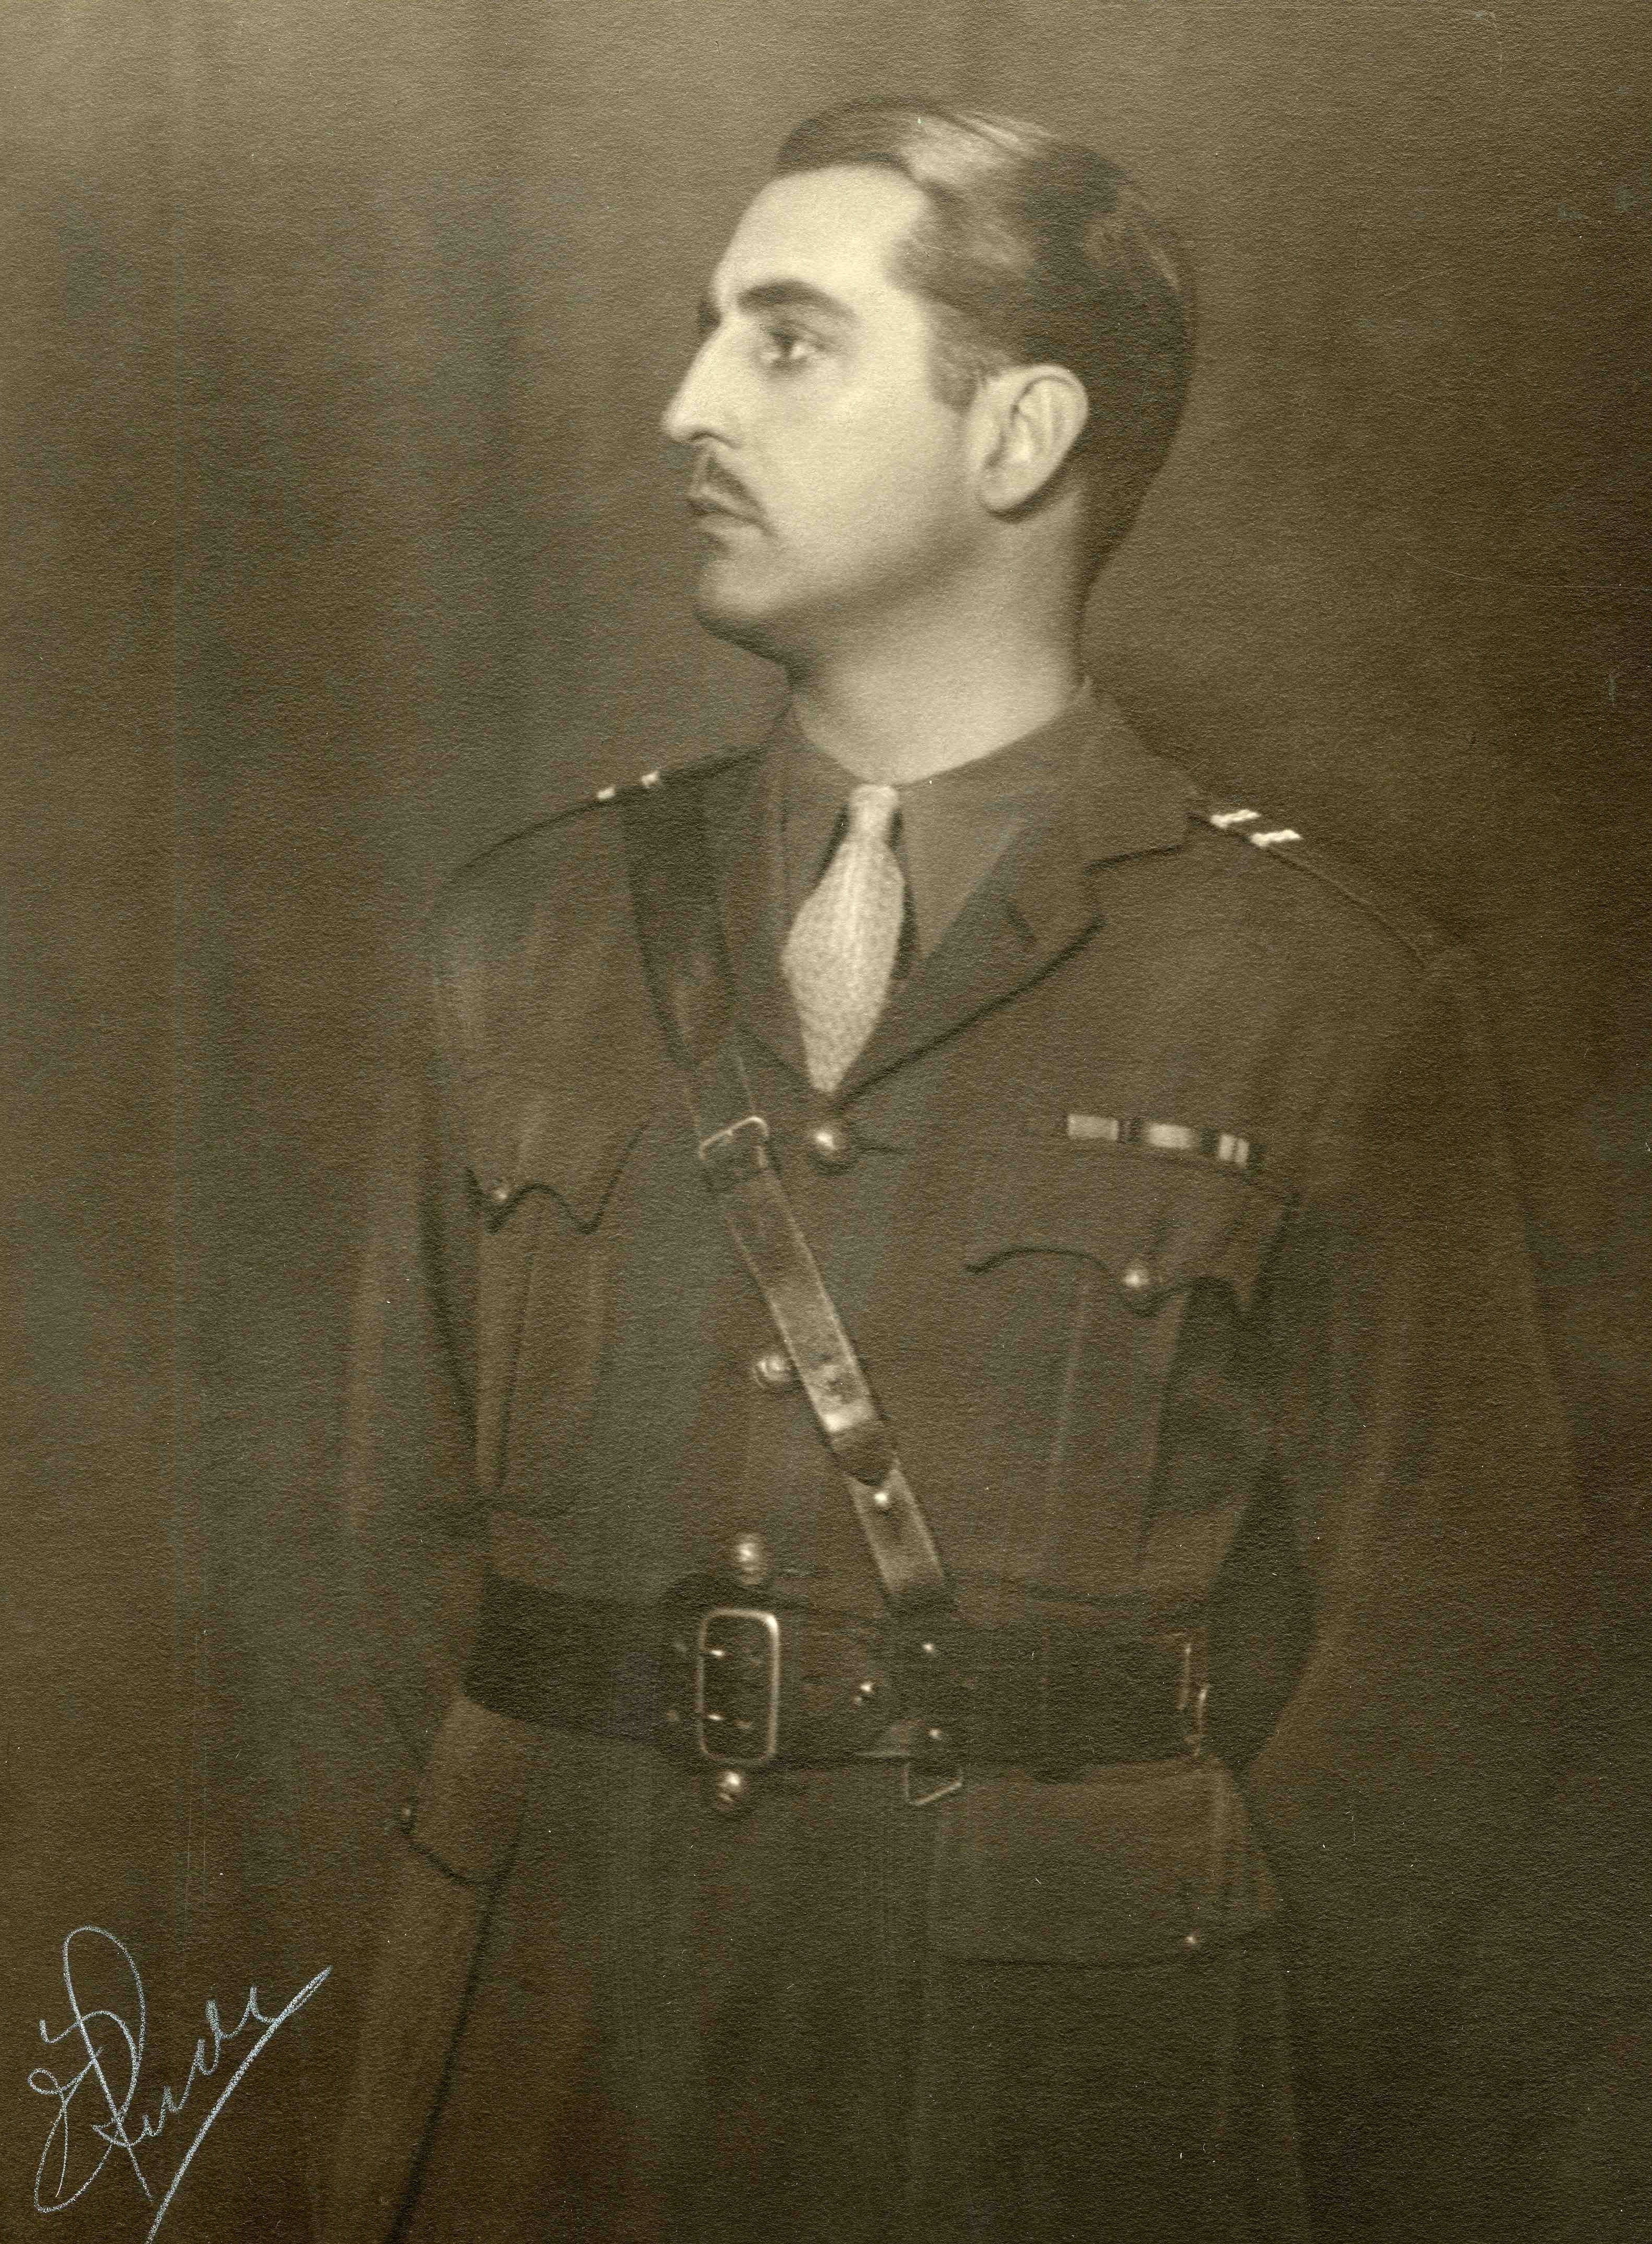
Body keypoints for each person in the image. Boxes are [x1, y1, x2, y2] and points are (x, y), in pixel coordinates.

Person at [330, 99, 1581, 2244]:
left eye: (786, 339)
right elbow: (391, 1559)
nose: (686, 403)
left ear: (1018, 435)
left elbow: (1445, 1672)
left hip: (1051, 2110)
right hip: (549, 2070)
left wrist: (1139, 1986)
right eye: (707, 330)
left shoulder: (1321, 990)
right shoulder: (521, 936)